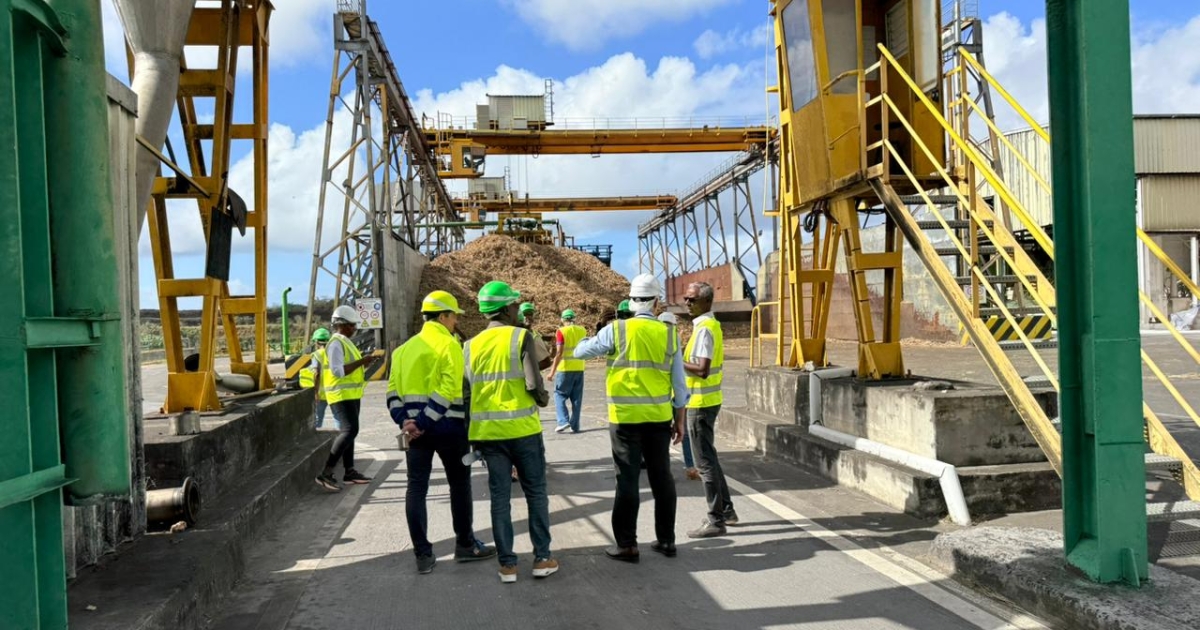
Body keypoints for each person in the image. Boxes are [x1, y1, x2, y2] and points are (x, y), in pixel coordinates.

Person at [575, 274, 689, 562]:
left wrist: (597, 335)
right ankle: (667, 541)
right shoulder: (668, 334)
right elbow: (680, 386)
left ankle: (627, 544)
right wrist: (680, 420)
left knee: (626, 480)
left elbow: (579, 352)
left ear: (630, 299)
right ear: (656, 301)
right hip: (658, 418)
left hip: (625, 419)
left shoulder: (617, 330)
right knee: (662, 478)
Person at [389, 291, 497, 574]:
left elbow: (391, 394)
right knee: (459, 486)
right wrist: (425, 421)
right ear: (443, 316)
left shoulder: (403, 350)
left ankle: (422, 555)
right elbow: (449, 390)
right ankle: (465, 545)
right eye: (454, 316)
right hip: (449, 429)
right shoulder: (449, 345)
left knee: (416, 488)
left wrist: (408, 424)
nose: (455, 322)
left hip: (415, 435)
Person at [465, 281, 559, 583]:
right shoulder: (521, 336)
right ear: (506, 309)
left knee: (499, 498)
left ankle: (507, 565)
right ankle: (542, 558)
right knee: (536, 493)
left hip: (489, 434)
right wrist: (542, 399)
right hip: (523, 431)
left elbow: (466, 394)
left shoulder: (470, 345)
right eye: (515, 305)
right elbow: (533, 383)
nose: (519, 309)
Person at [682, 282, 739, 537]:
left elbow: (702, 370)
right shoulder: (707, 326)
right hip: (707, 401)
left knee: (704, 463)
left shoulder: (704, 329)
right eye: (686, 298)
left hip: (700, 404)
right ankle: (726, 510)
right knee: (710, 459)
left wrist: (675, 362)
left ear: (705, 302)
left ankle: (716, 520)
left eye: (692, 299)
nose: (687, 303)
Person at [314, 305, 382, 491]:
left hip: (351, 394)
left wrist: (363, 363)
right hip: (340, 395)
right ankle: (326, 473)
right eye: (352, 325)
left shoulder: (345, 342)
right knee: (348, 430)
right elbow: (338, 371)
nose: (354, 329)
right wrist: (363, 361)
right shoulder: (336, 343)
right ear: (342, 325)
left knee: (351, 431)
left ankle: (349, 471)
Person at [658, 313, 699, 480]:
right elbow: (679, 379)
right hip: (676, 397)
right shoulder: (674, 342)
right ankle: (690, 465)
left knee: (663, 435)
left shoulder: (656, 342)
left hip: (663, 398)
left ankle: (663, 466)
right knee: (683, 433)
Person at [548, 309, 586, 434]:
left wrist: (552, 372)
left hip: (564, 369)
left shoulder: (561, 331)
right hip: (579, 368)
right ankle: (575, 425)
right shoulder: (582, 330)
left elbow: (559, 353)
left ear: (562, 319)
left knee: (559, 395)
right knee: (576, 399)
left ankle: (563, 421)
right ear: (574, 318)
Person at [298, 328, 335, 430]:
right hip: (334, 392)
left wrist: (315, 392)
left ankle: (316, 437)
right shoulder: (334, 353)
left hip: (322, 393)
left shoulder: (317, 354)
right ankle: (341, 438)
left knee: (318, 418)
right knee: (338, 418)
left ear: (316, 342)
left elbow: (316, 373)